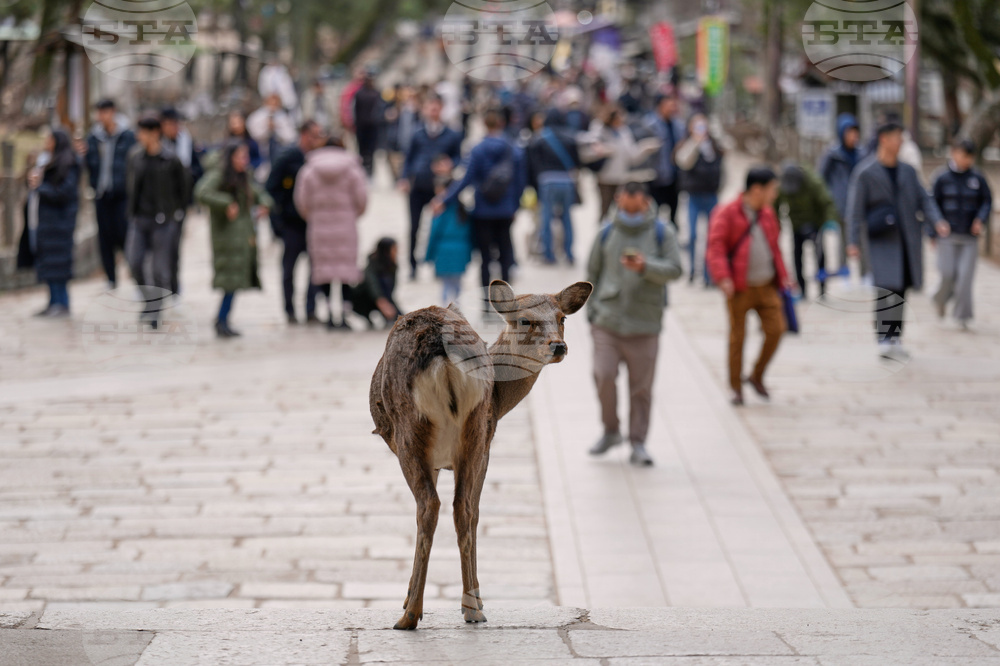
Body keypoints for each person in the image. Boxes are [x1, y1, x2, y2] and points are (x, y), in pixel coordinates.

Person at [586, 182, 683, 466]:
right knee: (603, 375)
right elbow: (592, 273)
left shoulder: (662, 232)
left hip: (645, 322)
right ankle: (610, 430)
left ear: (644, 200)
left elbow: (676, 269)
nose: (628, 205)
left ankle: (638, 441)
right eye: (623, 200)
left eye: (634, 200)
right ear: (618, 199)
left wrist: (646, 267)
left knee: (641, 388)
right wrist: (592, 312)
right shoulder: (606, 232)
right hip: (607, 320)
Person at [845, 120, 945, 362]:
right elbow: (854, 210)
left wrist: (937, 221)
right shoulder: (866, 172)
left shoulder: (908, 172)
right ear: (884, 139)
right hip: (881, 241)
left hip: (907, 239)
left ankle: (896, 337)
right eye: (897, 137)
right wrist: (853, 241)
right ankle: (883, 337)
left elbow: (925, 199)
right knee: (885, 288)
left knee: (901, 289)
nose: (901, 142)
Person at [706, 167, 791, 406]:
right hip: (739, 287)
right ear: (757, 189)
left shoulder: (767, 214)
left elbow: (775, 247)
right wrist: (723, 277)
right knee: (737, 338)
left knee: (777, 330)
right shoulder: (727, 213)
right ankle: (735, 388)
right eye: (772, 189)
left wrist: (784, 276)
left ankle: (756, 375)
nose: (774, 195)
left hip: (766, 285)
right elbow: (716, 247)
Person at [433, 108, 527, 306]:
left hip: (483, 210)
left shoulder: (477, 149)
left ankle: (486, 302)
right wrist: (515, 205)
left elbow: (465, 180)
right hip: (505, 210)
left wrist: (445, 199)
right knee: (504, 254)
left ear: (485, 125)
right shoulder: (513, 149)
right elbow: (520, 181)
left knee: (484, 258)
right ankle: (506, 301)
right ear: (501, 124)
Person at [195, 142, 273, 338]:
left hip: (242, 237)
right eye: (240, 156)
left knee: (234, 282)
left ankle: (223, 320)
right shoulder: (218, 175)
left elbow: (259, 193)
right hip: (226, 238)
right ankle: (221, 320)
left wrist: (265, 204)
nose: (244, 160)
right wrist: (226, 204)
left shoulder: (244, 177)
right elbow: (201, 192)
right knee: (230, 283)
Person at [293, 134, 368, 330]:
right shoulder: (353, 170)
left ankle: (327, 314)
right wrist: (351, 214)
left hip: (319, 227)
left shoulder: (308, 170)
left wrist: (314, 216)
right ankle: (343, 315)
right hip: (346, 226)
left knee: (324, 272)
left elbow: (301, 201)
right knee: (345, 273)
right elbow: (362, 200)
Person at [125, 116, 190, 327]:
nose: (138, 137)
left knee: (160, 269)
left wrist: (177, 214)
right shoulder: (135, 157)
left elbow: (184, 189)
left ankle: (156, 311)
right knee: (134, 262)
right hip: (140, 219)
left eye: (142, 132)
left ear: (154, 133)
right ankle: (148, 302)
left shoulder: (171, 160)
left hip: (164, 221)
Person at [266, 120, 326, 324]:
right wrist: (277, 223)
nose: (318, 140)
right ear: (304, 135)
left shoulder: (320, 159)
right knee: (288, 270)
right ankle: (289, 310)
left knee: (316, 268)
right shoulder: (287, 157)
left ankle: (310, 308)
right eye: (315, 135)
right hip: (291, 223)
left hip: (314, 223)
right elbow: (271, 189)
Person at [16, 130, 80, 318]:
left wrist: (40, 187)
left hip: (59, 223)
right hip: (45, 222)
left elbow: (64, 192)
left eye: (49, 138)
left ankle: (62, 303)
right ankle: (53, 301)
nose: (46, 141)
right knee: (48, 263)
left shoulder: (68, 162)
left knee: (58, 264)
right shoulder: (46, 160)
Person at [399, 94, 463, 280]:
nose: (433, 111)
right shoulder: (417, 133)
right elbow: (408, 158)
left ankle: (438, 264)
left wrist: (450, 164)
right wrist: (404, 178)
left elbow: (459, 157)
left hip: (440, 188)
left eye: (436, 107)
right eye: (430, 107)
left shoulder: (452, 134)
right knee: (414, 227)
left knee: (441, 227)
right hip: (418, 186)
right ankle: (412, 266)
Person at [931, 138, 992, 329]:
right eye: (964, 155)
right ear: (954, 153)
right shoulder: (941, 178)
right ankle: (939, 299)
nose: (967, 160)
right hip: (947, 235)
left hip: (969, 237)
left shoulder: (978, 178)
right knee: (947, 274)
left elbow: (986, 201)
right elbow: (931, 204)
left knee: (965, 277)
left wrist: (980, 219)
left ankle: (962, 316)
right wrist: (933, 229)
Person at [83, 99, 136, 288]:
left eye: (104, 112)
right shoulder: (93, 137)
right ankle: (111, 278)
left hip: (122, 194)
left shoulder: (127, 135)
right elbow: (88, 164)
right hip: (101, 193)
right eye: (99, 113)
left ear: (112, 112)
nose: (101, 117)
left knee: (125, 235)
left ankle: (134, 272)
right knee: (104, 238)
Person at [584, 106, 660, 222]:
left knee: (619, 209)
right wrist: (604, 150)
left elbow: (632, 156)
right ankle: (604, 234)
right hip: (605, 177)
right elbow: (589, 150)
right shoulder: (599, 130)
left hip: (620, 177)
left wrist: (644, 148)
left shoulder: (624, 132)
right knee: (605, 207)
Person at [776, 163, 839, 299]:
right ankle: (802, 290)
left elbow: (827, 203)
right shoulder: (783, 185)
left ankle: (822, 289)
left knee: (820, 255)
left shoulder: (814, 182)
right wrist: (774, 224)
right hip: (796, 225)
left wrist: (830, 220)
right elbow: (775, 205)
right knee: (797, 257)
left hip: (815, 223)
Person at [526, 110, 581, 264]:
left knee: (546, 218)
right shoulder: (570, 137)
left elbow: (532, 166)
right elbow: (577, 163)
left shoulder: (539, 138)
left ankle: (548, 255)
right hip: (567, 182)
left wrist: (533, 186)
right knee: (567, 218)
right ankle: (569, 253)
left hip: (547, 182)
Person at [675, 113, 724, 284]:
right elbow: (683, 161)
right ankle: (692, 271)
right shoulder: (687, 145)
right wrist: (695, 142)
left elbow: (722, 166)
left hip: (711, 195)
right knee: (693, 235)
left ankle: (708, 274)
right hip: (694, 196)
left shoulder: (715, 146)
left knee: (712, 236)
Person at [160, 106, 203, 295]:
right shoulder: (156, 145)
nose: (173, 128)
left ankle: (173, 286)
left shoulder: (186, 142)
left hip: (178, 204)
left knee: (172, 247)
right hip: (156, 204)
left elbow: (197, 169)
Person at [817, 112, 861, 284]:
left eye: (855, 132)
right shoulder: (832, 154)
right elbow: (821, 179)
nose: (853, 136)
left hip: (859, 203)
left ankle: (866, 275)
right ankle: (844, 274)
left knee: (861, 241)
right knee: (842, 242)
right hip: (840, 204)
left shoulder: (861, 153)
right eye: (849, 132)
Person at [424, 154, 473, 305]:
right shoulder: (464, 210)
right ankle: (457, 307)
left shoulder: (440, 212)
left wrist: (428, 255)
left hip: (443, 251)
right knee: (457, 284)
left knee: (445, 284)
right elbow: (471, 235)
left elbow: (433, 234)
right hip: (461, 251)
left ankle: (445, 307)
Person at [645, 93, 686, 228]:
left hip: (674, 176)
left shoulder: (679, 125)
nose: (672, 108)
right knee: (653, 214)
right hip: (655, 177)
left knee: (674, 213)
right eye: (669, 105)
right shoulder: (649, 125)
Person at [352, 237, 402, 327]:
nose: (396, 252)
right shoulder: (371, 266)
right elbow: (373, 285)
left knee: (401, 318)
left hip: (385, 298)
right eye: (394, 249)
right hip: (365, 300)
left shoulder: (392, 266)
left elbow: (391, 288)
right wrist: (382, 303)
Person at [246, 93, 297, 163]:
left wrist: (277, 129)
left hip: (280, 150)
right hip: (260, 151)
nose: (273, 106)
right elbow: (254, 133)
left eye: (275, 103)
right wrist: (266, 128)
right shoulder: (257, 116)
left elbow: (291, 136)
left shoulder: (284, 117)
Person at [353, 67, 383, 177]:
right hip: (362, 126)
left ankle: (370, 170)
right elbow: (356, 110)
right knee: (362, 150)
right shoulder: (360, 94)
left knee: (371, 151)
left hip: (373, 126)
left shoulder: (376, 93)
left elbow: (380, 109)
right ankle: (362, 169)